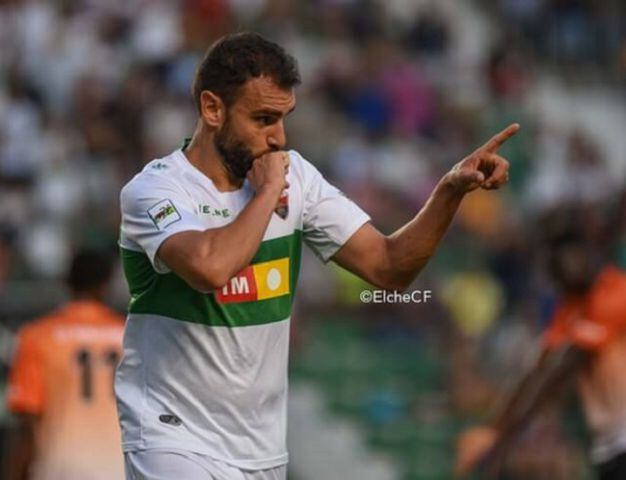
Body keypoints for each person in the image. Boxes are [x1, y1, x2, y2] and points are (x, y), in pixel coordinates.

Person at [116, 31, 518, 479]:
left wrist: (449, 191)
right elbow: (209, 269)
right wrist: (269, 191)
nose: (278, 137)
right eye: (263, 119)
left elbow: (388, 267)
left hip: (260, 451)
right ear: (212, 109)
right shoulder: (156, 190)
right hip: (171, 437)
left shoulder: (299, 179)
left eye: (283, 118)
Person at [455, 208, 626, 480]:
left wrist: (503, 435)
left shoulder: (615, 295)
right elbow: (539, 369)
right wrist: (493, 429)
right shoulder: (570, 309)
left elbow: (562, 366)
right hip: (609, 447)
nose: (566, 265)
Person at [6, 249, 126, 480]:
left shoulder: (38, 336)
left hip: (59, 469)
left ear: (67, 283)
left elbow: (27, 421)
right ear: (106, 284)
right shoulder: (128, 335)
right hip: (119, 469)